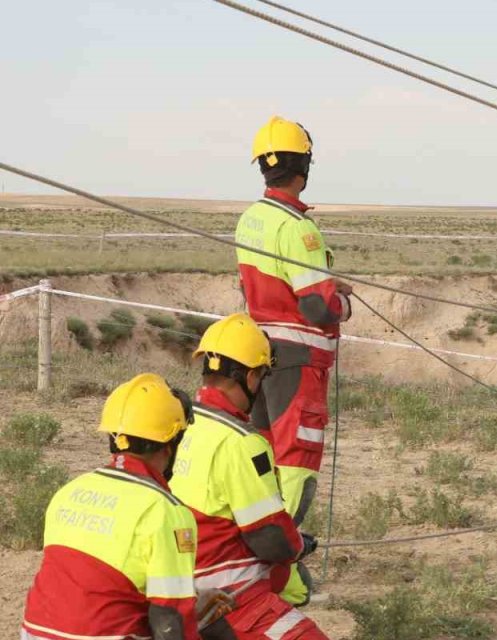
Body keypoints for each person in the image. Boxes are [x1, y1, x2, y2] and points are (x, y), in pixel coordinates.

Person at [235, 115, 351, 605]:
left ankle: (259, 574)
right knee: (295, 467)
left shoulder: (250, 219)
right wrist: (340, 301)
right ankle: (281, 579)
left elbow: (265, 285)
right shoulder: (298, 229)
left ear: (263, 166)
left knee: (260, 465)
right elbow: (316, 306)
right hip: (299, 362)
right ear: (304, 165)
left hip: (258, 357)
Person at [21, 374, 233, 640]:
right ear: (171, 444)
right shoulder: (166, 511)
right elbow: (169, 618)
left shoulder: (69, 491)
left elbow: (98, 584)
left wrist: (193, 596)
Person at [169, 313, 327, 639]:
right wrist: (297, 546)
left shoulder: (176, 424)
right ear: (252, 376)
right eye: (262, 375)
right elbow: (269, 539)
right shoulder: (241, 444)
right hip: (227, 596)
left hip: (172, 589)